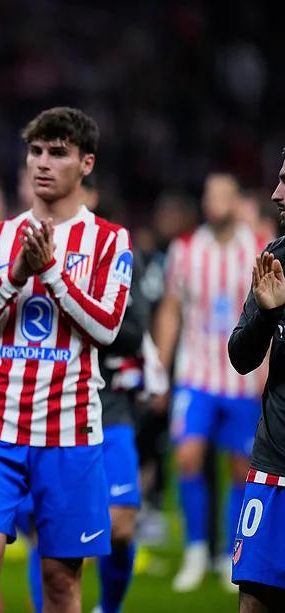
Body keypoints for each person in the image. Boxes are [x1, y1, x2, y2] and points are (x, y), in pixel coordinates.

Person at [0, 107, 131, 613]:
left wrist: (50, 272)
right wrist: (14, 275)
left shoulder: (109, 241)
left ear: (86, 163)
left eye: (59, 153)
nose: (43, 163)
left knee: (59, 582)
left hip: (70, 429)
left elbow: (106, 328)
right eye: (36, 152)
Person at [19, 178, 151, 613]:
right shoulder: (13, 245)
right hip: (43, 409)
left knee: (121, 529)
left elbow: (130, 333)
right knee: (46, 530)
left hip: (108, 409)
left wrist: (79, 311)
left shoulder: (116, 254)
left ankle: (108, 607)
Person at [152, 173, 267, 592]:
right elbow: (170, 309)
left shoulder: (258, 248)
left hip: (243, 377)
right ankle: (197, 551)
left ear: (237, 202)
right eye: (208, 194)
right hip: (195, 374)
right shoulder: (185, 251)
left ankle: (228, 556)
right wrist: (162, 368)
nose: (213, 201)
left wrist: (268, 371)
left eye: (222, 194)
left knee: (241, 470)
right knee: (188, 457)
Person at [228, 154, 285, 612]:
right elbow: (241, 357)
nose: (276, 195)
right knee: (254, 604)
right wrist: (266, 315)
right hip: (274, 464)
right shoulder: (276, 259)